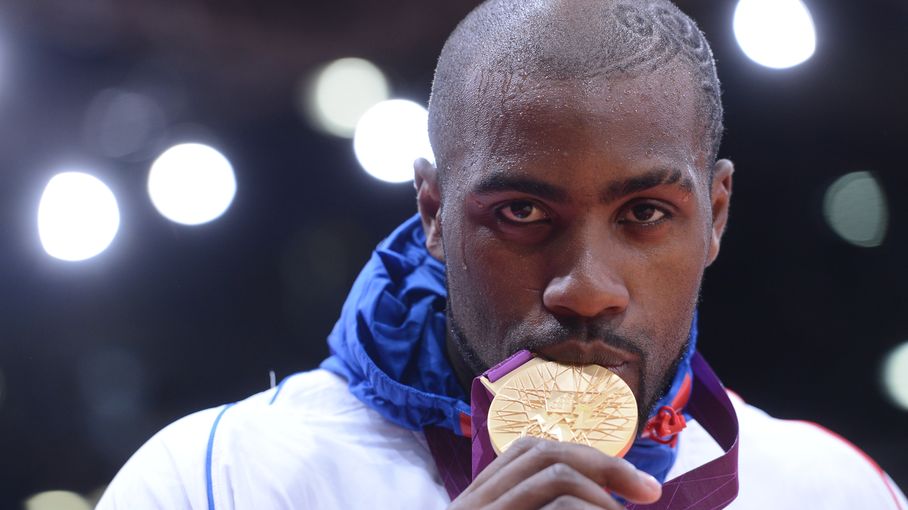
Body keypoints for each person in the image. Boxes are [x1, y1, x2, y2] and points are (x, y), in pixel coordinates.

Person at [97, 0, 908, 508]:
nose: (585, 290)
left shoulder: (833, 492)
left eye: (645, 213)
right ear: (435, 215)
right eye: (521, 212)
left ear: (716, 216)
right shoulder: (215, 481)